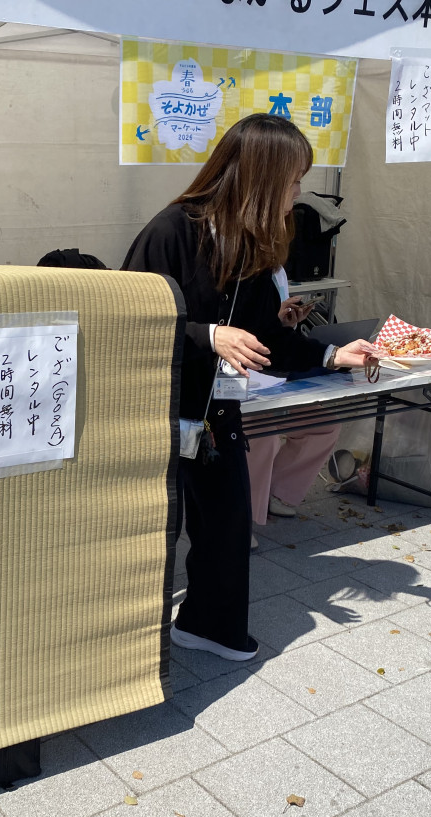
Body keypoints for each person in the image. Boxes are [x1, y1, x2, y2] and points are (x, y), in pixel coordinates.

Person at [122, 114, 375, 662]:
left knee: (227, 522)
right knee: (146, 530)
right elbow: (129, 320)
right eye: (292, 181)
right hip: (156, 408)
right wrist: (209, 334)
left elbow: (267, 341)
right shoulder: (172, 230)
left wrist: (332, 354)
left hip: (216, 412)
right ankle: (124, 645)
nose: (298, 193)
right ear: (259, 177)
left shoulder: (254, 246)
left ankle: (206, 627)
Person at [246, 291, 340, 540]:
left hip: (273, 381)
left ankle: (278, 492)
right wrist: (272, 323)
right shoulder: (238, 281)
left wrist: (285, 324)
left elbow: (276, 342)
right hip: (236, 385)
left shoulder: (274, 276)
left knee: (324, 424)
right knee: (263, 434)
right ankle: (241, 517)